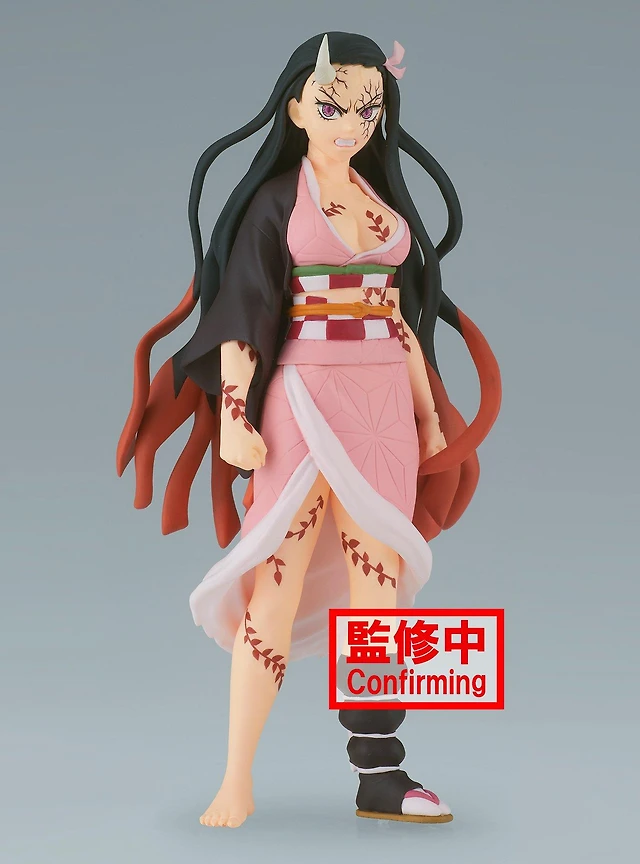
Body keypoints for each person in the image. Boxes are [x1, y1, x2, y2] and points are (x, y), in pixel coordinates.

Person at [117, 31, 501, 828]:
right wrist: (234, 414)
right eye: (333, 105)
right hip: (303, 398)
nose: (352, 121)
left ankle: (380, 772)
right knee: (279, 575)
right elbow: (244, 313)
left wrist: (431, 418)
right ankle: (236, 776)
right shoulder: (276, 201)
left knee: (378, 580)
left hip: (383, 409)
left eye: (369, 107)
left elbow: (400, 321)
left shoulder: (378, 200)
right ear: (295, 108)